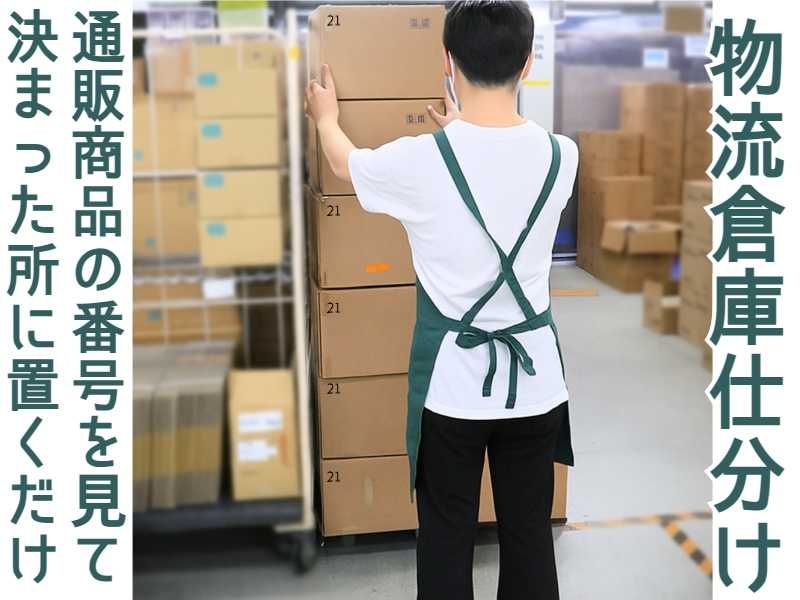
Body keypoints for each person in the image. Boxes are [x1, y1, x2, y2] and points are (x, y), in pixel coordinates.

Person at [306, 2, 576, 598]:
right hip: (535, 383)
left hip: (451, 387)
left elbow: (344, 164)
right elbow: (499, 175)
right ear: (527, 63)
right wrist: (463, 131)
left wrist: (326, 116)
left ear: (447, 62)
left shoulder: (420, 161)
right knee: (530, 534)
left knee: (447, 536)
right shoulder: (563, 155)